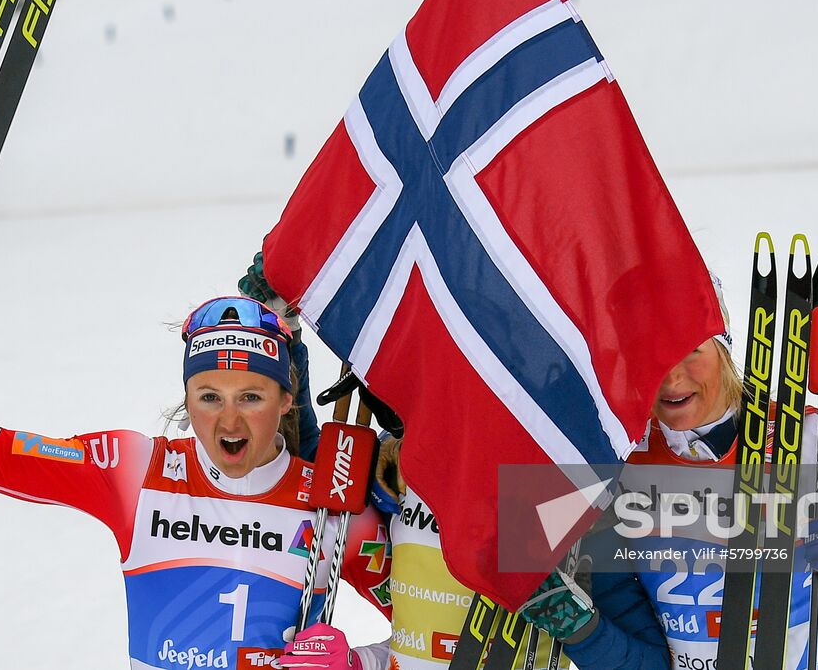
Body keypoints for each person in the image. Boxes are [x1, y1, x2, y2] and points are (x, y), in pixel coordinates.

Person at [0, 239, 387, 670]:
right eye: (209, 398)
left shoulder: (334, 508)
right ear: (185, 398)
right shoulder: (135, 471)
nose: (229, 422)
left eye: (250, 397)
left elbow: (442, 642)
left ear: (285, 399)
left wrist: (353, 664)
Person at [238, 256, 674, 670]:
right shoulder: (402, 465)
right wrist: (282, 330)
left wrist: (578, 625)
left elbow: (651, 662)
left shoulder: (560, 487)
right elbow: (312, 467)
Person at [594, 273, 818, 669]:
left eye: (691, 350)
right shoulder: (619, 452)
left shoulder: (806, 438)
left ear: (722, 347)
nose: (672, 377)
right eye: (651, 355)